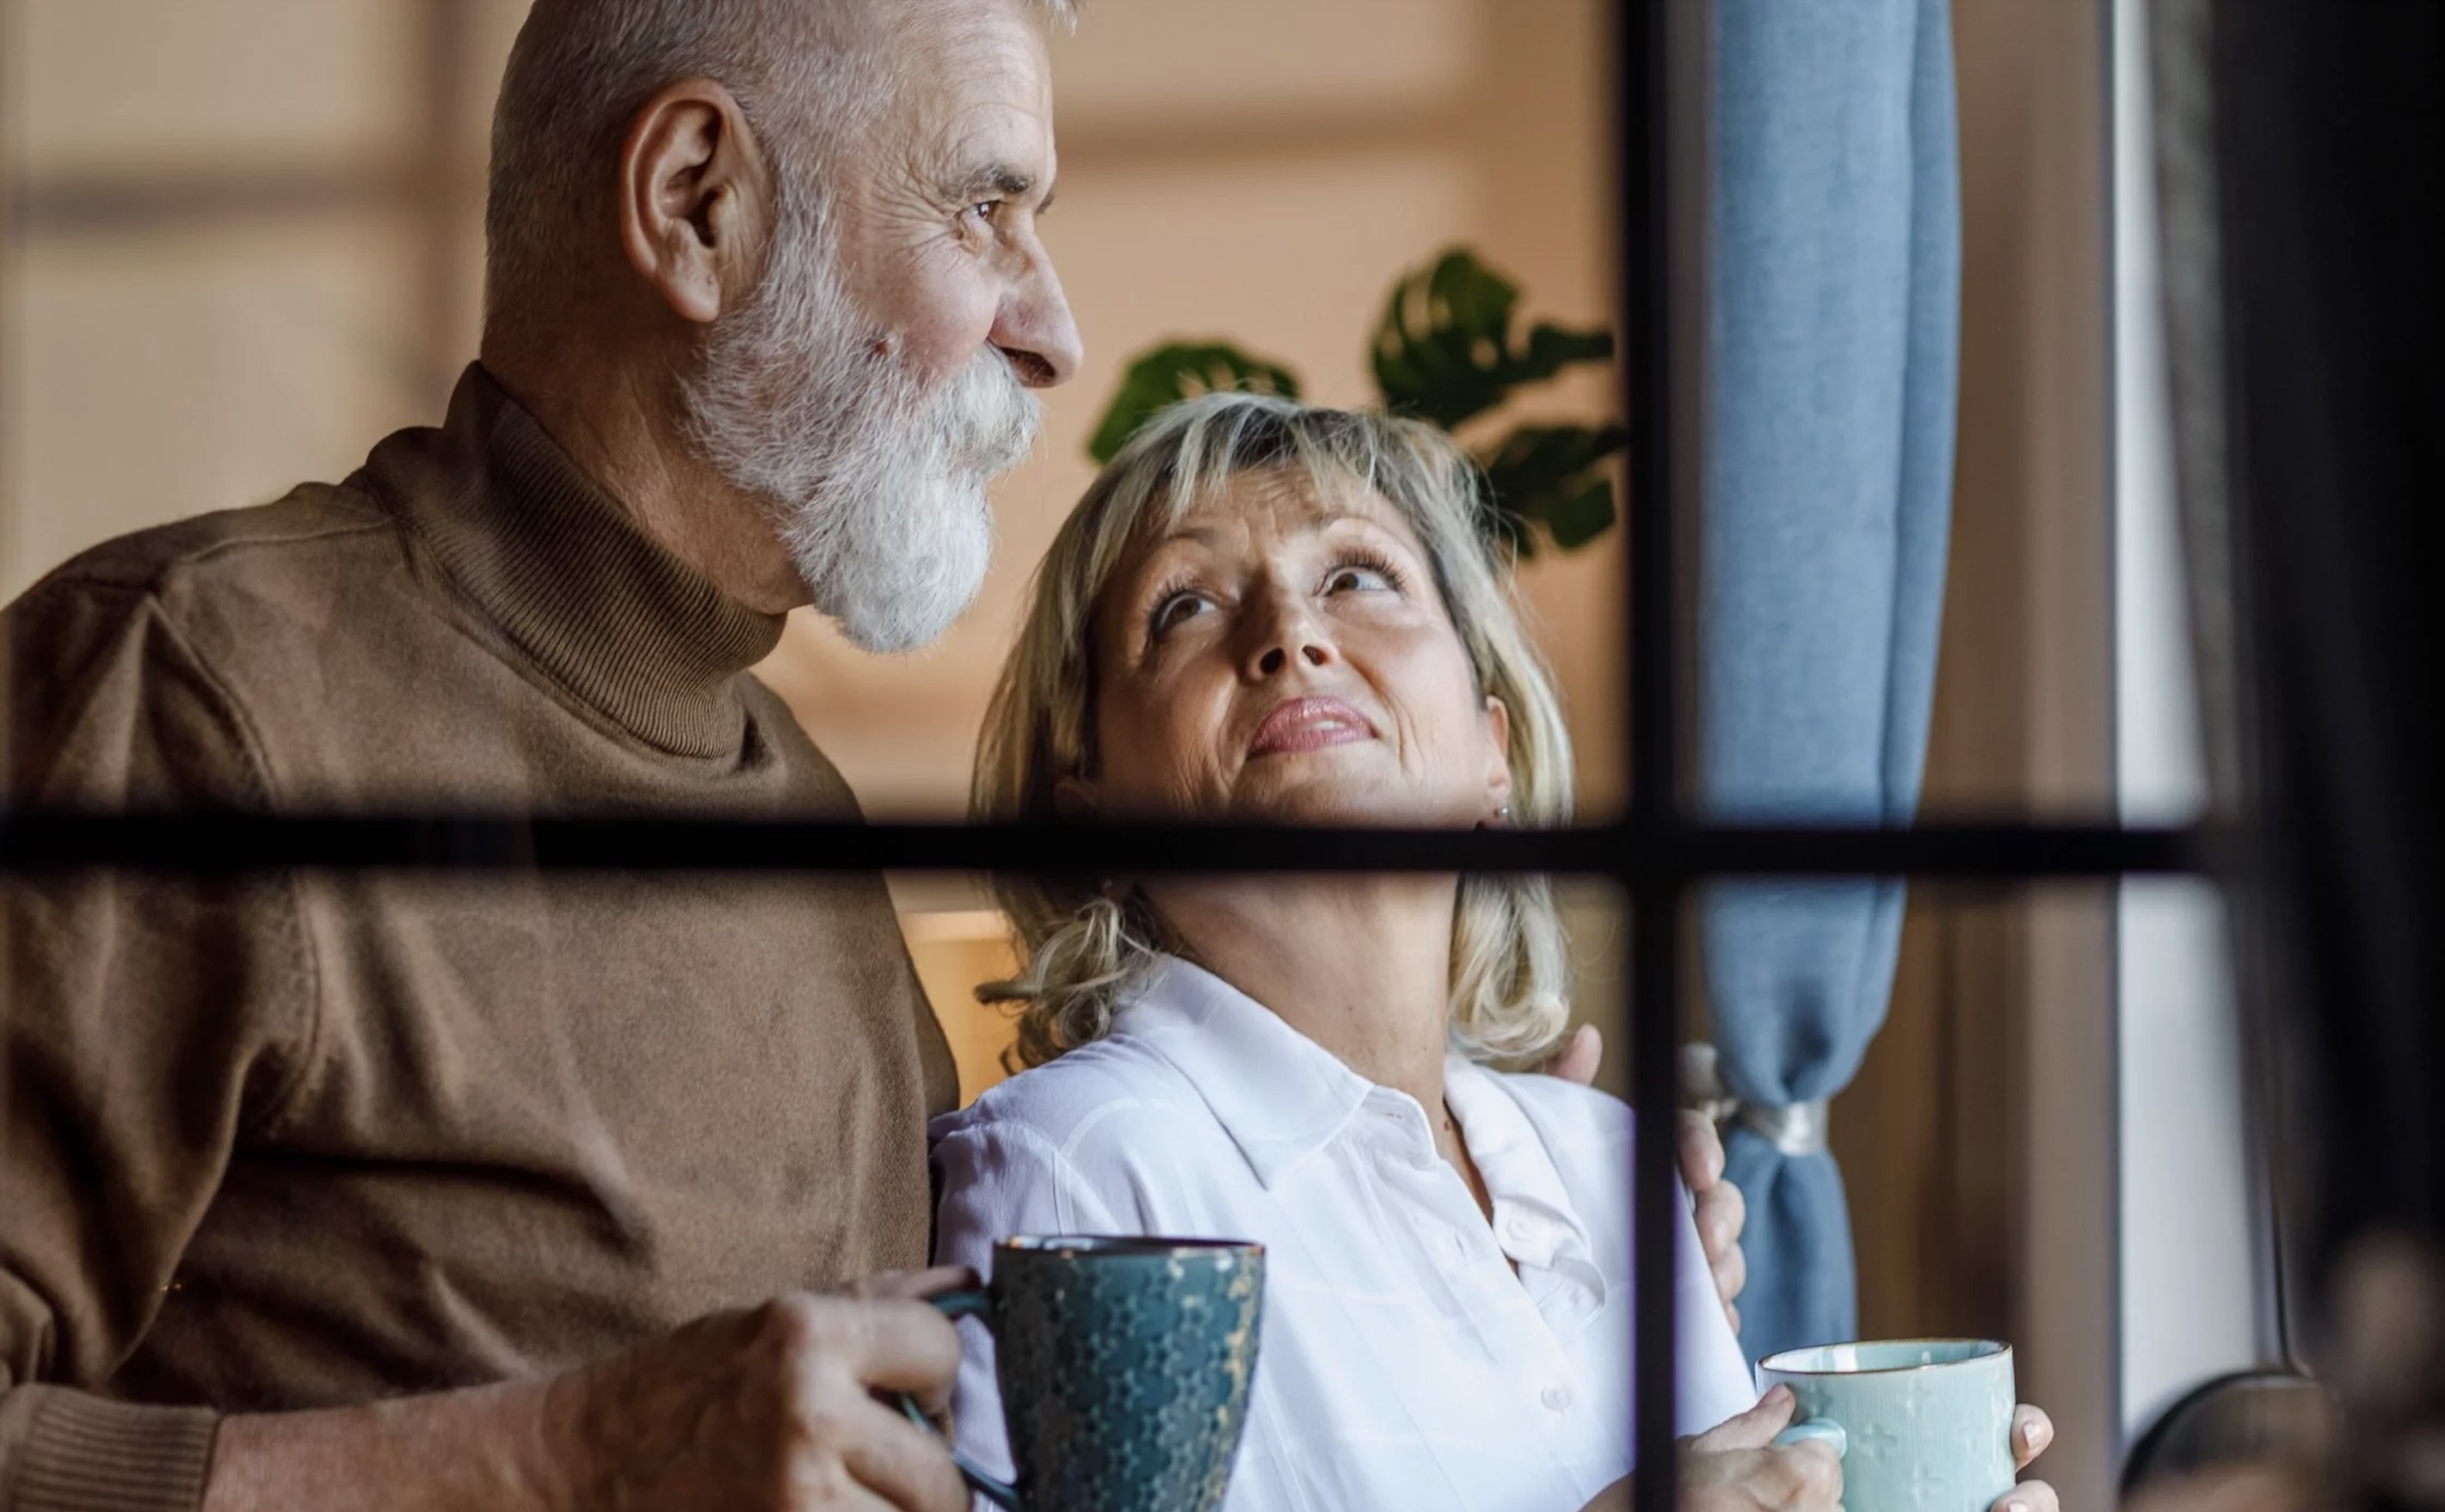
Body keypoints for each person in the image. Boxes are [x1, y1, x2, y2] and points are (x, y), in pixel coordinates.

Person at [0, 5, 1747, 1511]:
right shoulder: (188, 694)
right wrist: (560, 1464)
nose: (1052, 330)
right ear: (697, 206)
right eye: (983, 207)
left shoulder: (803, 819)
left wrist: (1493, 1214)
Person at [938, 393, 2060, 1512]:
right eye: (1183, 605)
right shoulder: (1076, 1166)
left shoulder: (1611, 1162)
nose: (1289, 633)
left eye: (1354, 577)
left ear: (1491, 750)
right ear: (1082, 816)